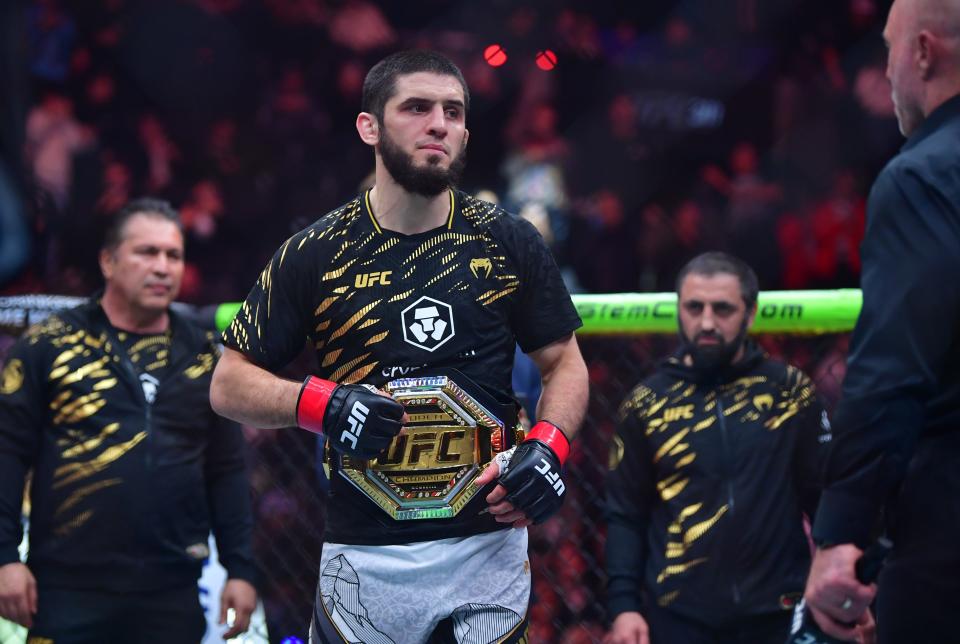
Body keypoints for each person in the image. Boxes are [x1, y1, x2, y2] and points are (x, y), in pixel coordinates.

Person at [209, 50, 588, 644]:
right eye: (416, 107)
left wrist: (549, 445)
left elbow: (564, 361)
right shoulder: (315, 251)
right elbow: (228, 383)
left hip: (486, 547)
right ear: (369, 126)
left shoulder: (508, 239)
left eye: (453, 111)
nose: (438, 123)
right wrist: (323, 405)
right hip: (365, 554)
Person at [0, 198, 257, 642]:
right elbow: (6, 454)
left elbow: (227, 469)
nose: (162, 267)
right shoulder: (50, 345)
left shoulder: (203, 357)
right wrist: (4, 557)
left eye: (173, 255)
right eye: (146, 252)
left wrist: (241, 568)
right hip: (65, 587)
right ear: (108, 260)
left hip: (173, 589)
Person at [803, 0, 960, 641]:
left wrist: (842, 533)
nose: (888, 71)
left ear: (923, 52)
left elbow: (892, 369)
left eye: (891, 48)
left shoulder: (926, 175)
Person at [604, 252, 845, 644]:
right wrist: (624, 606)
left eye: (723, 309)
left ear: (749, 314)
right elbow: (625, 514)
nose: (707, 323)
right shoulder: (646, 403)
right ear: (679, 309)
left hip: (779, 608)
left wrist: (839, 574)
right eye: (694, 308)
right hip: (679, 613)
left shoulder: (789, 391)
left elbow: (822, 494)